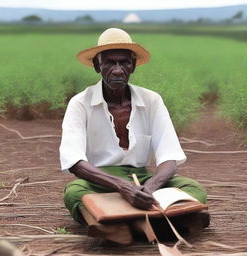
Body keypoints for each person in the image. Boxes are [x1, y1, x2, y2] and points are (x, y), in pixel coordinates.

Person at [60, 28, 208, 244]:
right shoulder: (80, 103)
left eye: (124, 63)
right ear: (97, 66)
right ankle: (169, 223)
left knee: (193, 189)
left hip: (143, 180)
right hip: (102, 181)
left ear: (134, 65)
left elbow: (169, 157)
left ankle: (120, 226)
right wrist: (122, 186)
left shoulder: (152, 101)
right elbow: (75, 162)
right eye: (110, 62)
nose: (118, 70)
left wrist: (150, 188)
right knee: (74, 191)